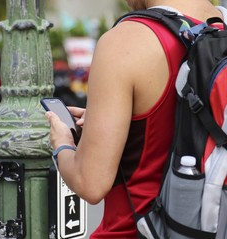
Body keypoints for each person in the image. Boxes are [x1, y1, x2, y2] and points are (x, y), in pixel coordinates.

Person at [45, 0, 225, 238]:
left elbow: (90, 183)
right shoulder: (219, 25)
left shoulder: (125, 41)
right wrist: (113, 120)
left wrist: (63, 143)